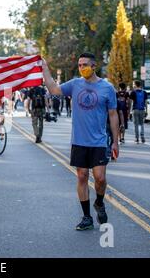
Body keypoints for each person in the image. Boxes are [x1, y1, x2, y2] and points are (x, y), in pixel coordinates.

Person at [42, 52, 119, 231]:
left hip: (99, 141)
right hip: (79, 141)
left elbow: (113, 115)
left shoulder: (107, 88)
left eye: (85, 64)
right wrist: (45, 69)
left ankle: (99, 202)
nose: (81, 68)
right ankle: (87, 217)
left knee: (100, 179)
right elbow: (54, 89)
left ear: (94, 66)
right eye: (79, 65)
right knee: (82, 176)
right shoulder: (75, 84)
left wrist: (115, 141)